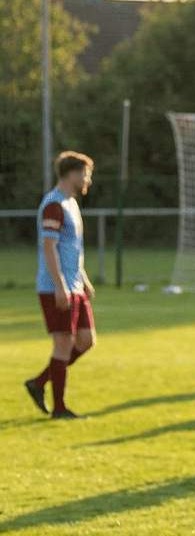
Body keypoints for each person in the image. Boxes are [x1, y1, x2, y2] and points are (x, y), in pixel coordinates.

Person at [24, 152, 97, 420]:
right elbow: (49, 247)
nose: (88, 179)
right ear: (74, 174)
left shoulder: (72, 204)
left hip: (75, 284)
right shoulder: (54, 204)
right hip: (57, 286)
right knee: (63, 345)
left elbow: (71, 249)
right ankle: (60, 408)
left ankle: (39, 382)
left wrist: (84, 279)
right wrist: (60, 286)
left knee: (87, 340)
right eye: (86, 173)